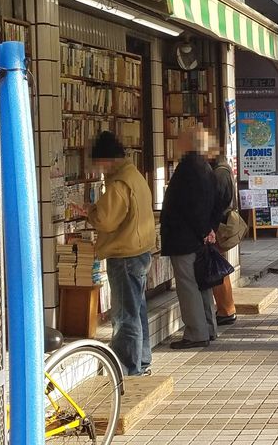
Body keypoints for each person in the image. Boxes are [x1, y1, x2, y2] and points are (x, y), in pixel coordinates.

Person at [86, 131, 156, 376]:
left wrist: (91, 210)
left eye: (99, 163)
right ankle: (142, 360)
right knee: (137, 310)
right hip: (140, 251)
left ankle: (127, 367)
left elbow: (106, 221)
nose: (99, 169)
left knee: (125, 315)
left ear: (107, 159)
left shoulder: (118, 184)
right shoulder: (135, 176)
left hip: (125, 254)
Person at [160, 127, 217, 349]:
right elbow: (210, 202)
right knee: (202, 284)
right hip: (198, 236)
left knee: (188, 286)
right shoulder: (205, 166)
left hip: (184, 238)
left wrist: (203, 230)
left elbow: (190, 206)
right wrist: (208, 229)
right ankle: (208, 328)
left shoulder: (188, 168)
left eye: (180, 140)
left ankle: (196, 333)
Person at [210, 140, 238, 327]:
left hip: (218, 226)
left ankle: (226, 310)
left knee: (218, 269)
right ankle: (226, 309)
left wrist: (210, 227)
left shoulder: (219, 173)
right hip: (221, 224)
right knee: (219, 268)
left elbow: (216, 203)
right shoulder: (224, 169)